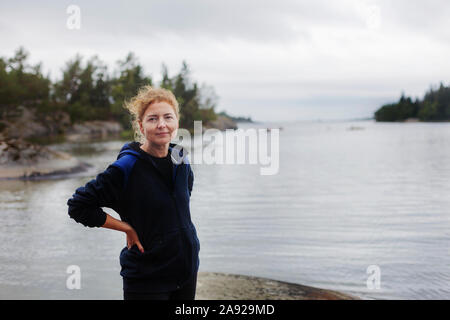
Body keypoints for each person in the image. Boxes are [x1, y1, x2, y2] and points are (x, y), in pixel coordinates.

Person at [67, 86, 200, 300]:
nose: (162, 124)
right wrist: (125, 227)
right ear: (140, 125)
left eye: (168, 117)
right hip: (147, 278)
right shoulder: (127, 166)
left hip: (186, 271)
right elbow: (78, 205)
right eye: (152, 119)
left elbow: (183, 198)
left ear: (177, 121)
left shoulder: (180, 157)